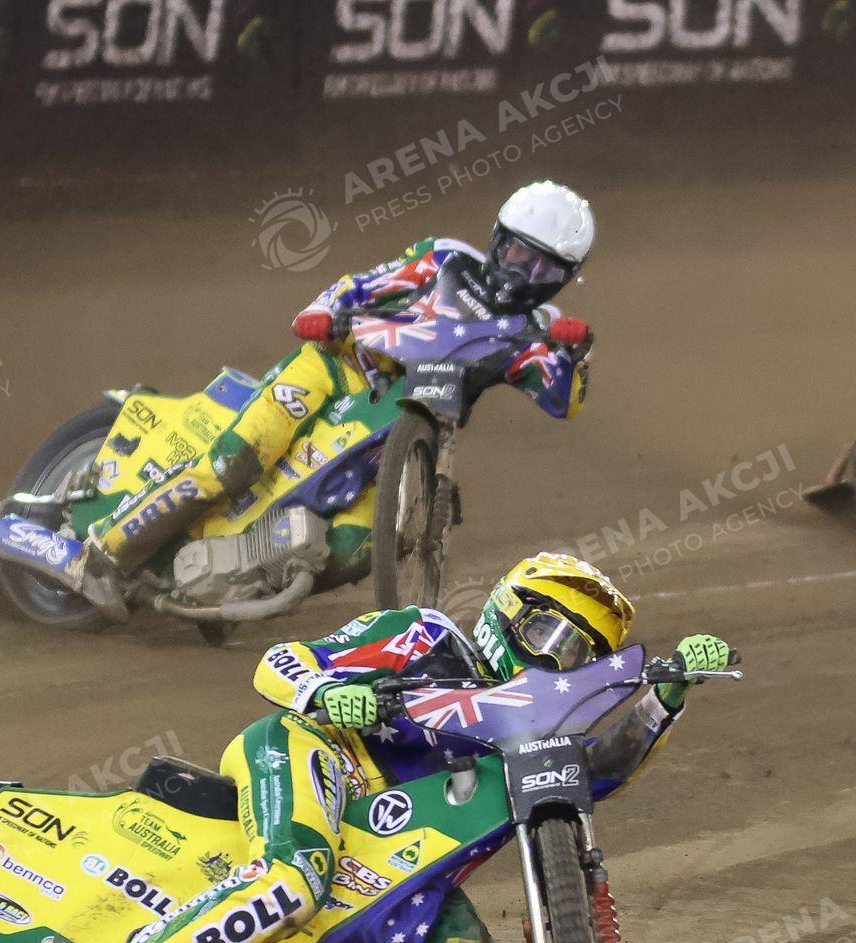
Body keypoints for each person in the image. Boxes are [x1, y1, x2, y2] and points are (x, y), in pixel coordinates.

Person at [37, 552, 735, 943]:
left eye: (579, 655)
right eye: (547, 635)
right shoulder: (426, 635)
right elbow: (281, 662)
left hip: (389, 851)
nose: (556, 662)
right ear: (504, 614)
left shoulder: (539, 737)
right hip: (316, 755)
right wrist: (327, 691)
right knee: (293, 879)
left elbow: (599, 771)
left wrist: (665, 696)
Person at [63, 181, 599, 620]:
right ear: (498, 237)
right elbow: (361, 286)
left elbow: (564, 399)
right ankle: (102, 557)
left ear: (565, 279)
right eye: (518, 253)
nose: (522, 272)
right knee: (235, 462)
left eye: (543, 269)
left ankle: (227, 583)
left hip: (400, 431)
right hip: (336, 372)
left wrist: (578, 355)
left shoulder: (539, 331)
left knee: (353, 547)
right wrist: (324, 311)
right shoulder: (444, 259)